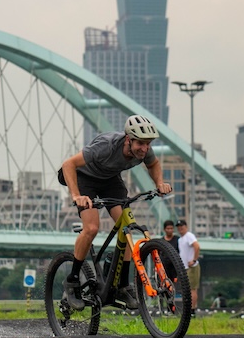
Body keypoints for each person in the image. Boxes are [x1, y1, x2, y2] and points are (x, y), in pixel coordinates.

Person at [59, 115, 172, 311]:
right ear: (128, 139)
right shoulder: (106, 146)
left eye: (148, 144)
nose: (144, 149)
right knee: (92, 228)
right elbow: (68, 164)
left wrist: (159, 184)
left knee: (127, 227)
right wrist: (77, 196)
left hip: (110, 181)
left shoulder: (144, 150)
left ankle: (122, 285)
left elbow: (153, 165)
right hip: (85, 178)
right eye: (140, 144)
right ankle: (72, 280)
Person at [175, 220, 201, 316]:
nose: (180, 228)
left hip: (192, 267)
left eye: (182, 226)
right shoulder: (180, 239)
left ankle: (192, 310)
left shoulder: (189, 236)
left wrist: (194, 260)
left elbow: (197, 246)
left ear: (186, 226)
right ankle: (188, 309)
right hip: (184, 267)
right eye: (178, 226)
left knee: (192, 289)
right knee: (186, 289)